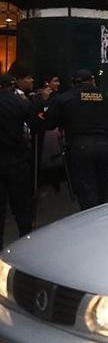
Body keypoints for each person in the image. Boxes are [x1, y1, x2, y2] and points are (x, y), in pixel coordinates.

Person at [45, 69, 108, 210]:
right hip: (104, 145)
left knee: (86, 188)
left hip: (79, 147)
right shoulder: (105, 96)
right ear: (92, 81)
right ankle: (106, 220)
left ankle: (90, 224)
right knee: (105, 187)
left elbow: (49, 122)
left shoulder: (65, 98)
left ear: (73, 83)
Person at [0, 73, 44, 245]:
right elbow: (36, 126)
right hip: (17, 159)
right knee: (21, 205)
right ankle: (25, 241)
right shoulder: (20, 103)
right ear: (12, 86)